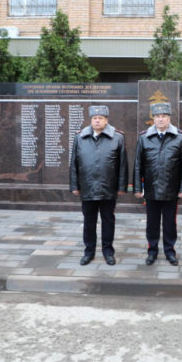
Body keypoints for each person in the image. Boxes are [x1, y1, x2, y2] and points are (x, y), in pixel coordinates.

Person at [69, 105, 128, 266]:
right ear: (90, 120)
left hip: (108, 188)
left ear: (106, 120)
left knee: (108, 221)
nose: (97, 120)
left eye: (100, 118)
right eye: (94, 118)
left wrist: (121, 187)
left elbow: (123, 164)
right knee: (89, 221)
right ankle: (89, 252)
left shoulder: (117, 137)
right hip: (87, 187)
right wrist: (74, 185)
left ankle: (108, 252)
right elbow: (74, 163)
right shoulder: (80, 137)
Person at [133, 102, 182, 266]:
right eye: (157, 116)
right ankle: (152, 251)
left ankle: (170, 251)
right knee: (152, 223)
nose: (160, 119)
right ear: (153, 119)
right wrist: (137, 188)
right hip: (151, 189)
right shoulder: (144, 138)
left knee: (170, 224)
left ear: (169, 118)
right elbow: (138, 165)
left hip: (172, 190)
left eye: (164, 116)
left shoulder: (180, 137)